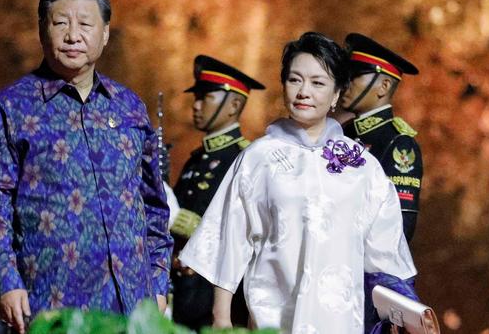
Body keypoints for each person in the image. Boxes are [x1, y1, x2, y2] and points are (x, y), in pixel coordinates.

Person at [179, 32, 418, 333]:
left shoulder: (364, 168)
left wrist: (403, 313)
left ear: (336, 94)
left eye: (318, 83)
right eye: (295, 80)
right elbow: (228, 240)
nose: (304, 91)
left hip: (341, 322)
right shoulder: (258, 158)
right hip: (273, 320)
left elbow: (386, 257)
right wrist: (222, 319)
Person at [0, 0, 173, 334]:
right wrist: (6, 280)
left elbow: (154, 203)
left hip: (132, 301)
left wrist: (158, 282)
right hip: (50, 299)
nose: (72, 35)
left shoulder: (129, 106)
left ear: (106, 33)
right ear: (41, 30)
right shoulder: (12, 106)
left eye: (85, 23)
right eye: (60, 22)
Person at [170, 55, 264, 331]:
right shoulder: (196, 159)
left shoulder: (244, 159)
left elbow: (243, 231)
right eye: (196, 97)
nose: (196, 106)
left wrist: (182, 221)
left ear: (234, 104)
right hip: (184, 290)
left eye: (205, 97)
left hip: (215, 296)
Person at [340, 33, 422, 243]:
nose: (345, 84)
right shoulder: (343, 133)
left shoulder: (398, 143)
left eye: (355, 76)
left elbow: (399, 229)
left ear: (384, 86)